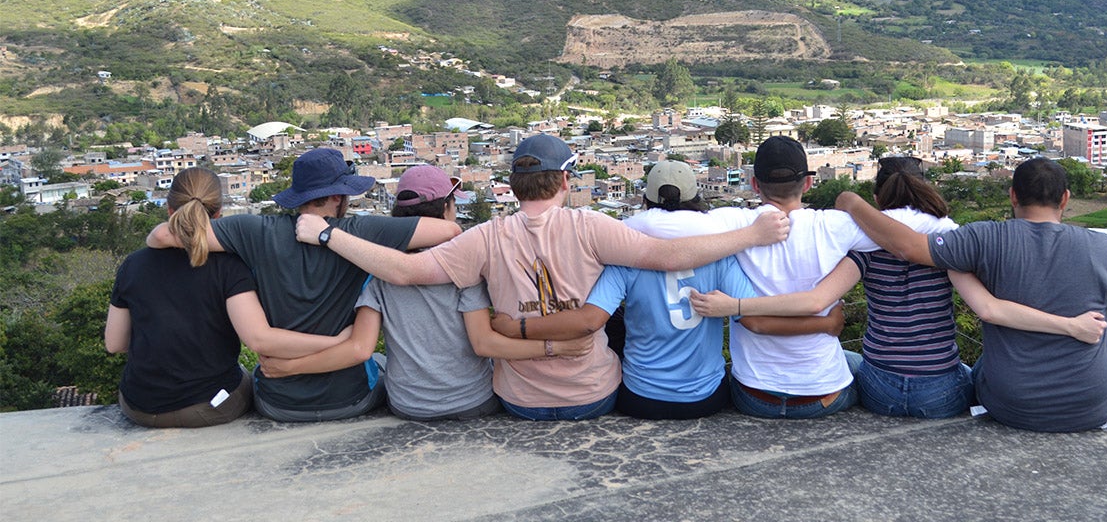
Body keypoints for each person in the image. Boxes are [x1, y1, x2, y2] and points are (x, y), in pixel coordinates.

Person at [292, 134, 791, 421]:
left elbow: (403, 270)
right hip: (593, 395)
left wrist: (326, 233)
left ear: (512, 185)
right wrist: (749, 235)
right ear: (566, 180)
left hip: (521, 399)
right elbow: (665, 255)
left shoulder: (485, 237)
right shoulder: (593, 227)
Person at [692, 156, 1107, 419]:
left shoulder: (864, 242)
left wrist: (852, 204)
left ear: (878, 195)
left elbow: (819, 300)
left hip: (879, 389)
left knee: (851, 358)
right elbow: (989, 308)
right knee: (974, 370)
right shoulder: (951, 241)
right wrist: (1070, 325)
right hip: (941, 393)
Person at [490, 160, 843, 419]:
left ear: (646, 200)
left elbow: (591, 319)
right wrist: (824, 323)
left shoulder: (627, 253)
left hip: (641, 395)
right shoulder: (718, 251)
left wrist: (518, 327)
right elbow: (754, 315)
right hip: (706, 397)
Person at [145, 147, 460, 422]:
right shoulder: (361, 230)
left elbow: (161, 236)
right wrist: (333, 237)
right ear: (338, 196)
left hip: (277, 402)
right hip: (349, 400)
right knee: (380, 361)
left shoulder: (255, 230)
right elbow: (447, 231)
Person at [835, 157, 1107, 432]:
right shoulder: (1102, 247)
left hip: (1010, 403)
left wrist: (850, 202)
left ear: (1012, 195)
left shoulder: (984, 238)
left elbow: (913, 249)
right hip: (1093, 404)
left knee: (984, 365)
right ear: (1065, 199)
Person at [258, 165, 592, 420]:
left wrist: (289, 368)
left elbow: (360, 348)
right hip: (473, 401)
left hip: (409, 406)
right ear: (447, 209)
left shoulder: (379, 271)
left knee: (379, 360)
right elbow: (484, 344)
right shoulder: (465, 270)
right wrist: (556, 346)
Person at [106, 167, 349, 428]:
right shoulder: (228, 265)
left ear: (168, 209)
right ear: (219, 214)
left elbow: (114, 343)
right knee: (252, 376)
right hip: (206, 406)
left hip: (137, 405)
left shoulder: (133, 264)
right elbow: (260, 339)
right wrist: (334, 342)